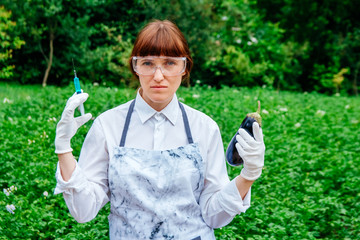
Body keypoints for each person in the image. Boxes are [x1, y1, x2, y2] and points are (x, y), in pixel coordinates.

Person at [54, 19, 265, 240]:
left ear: (184, 68)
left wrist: (248, 175)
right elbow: (83, 211)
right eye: (147, 63)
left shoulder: (204, 128)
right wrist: (63, 149)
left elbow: (214, 216)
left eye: (170, 63)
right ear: (135, 67)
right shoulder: (108, 126)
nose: (158, 75)